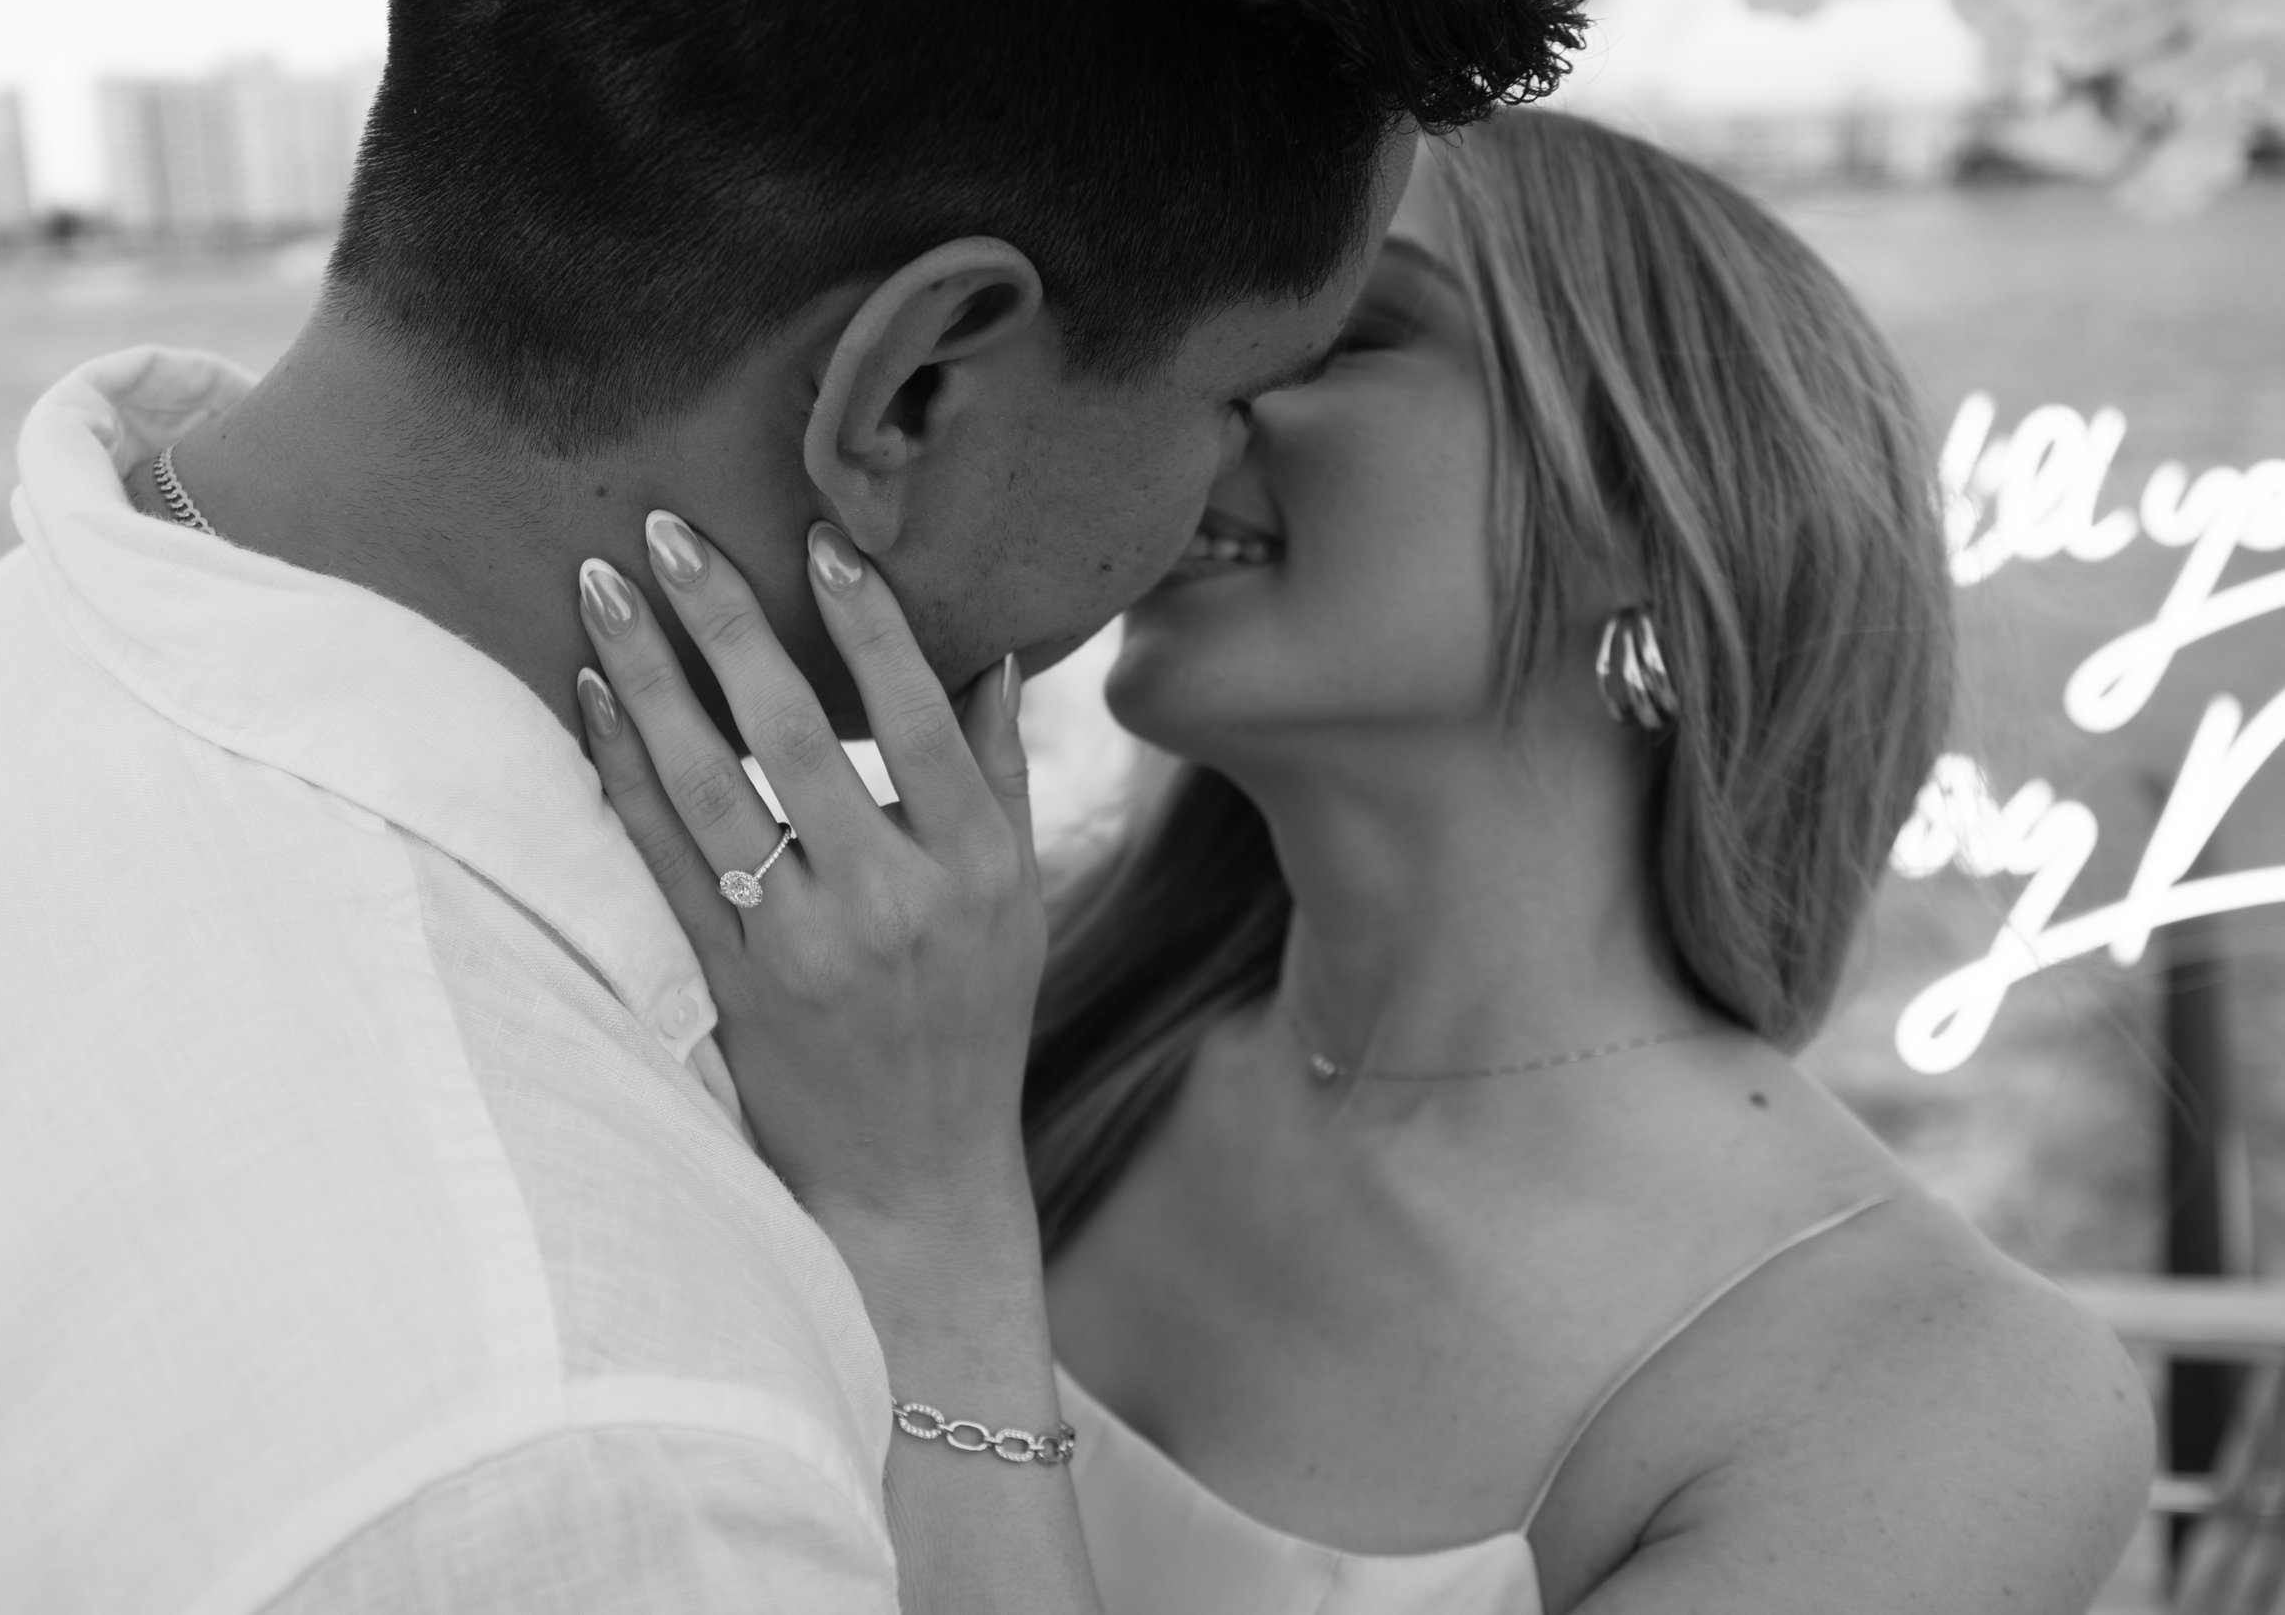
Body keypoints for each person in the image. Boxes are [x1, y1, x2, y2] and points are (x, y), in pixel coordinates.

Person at [0, 0, 1588, 1611]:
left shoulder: (14, 655)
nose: (1225, 488)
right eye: (1246, 385)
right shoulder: (590, 1463)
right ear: (913, 386)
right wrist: (933, 1244)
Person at [571, 111, 2156, 1614]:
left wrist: (925, 1225)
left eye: (1328, 333)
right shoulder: (993, 1029)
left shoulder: (1937, 1393)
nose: (1173, 390)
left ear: (1651, 511)